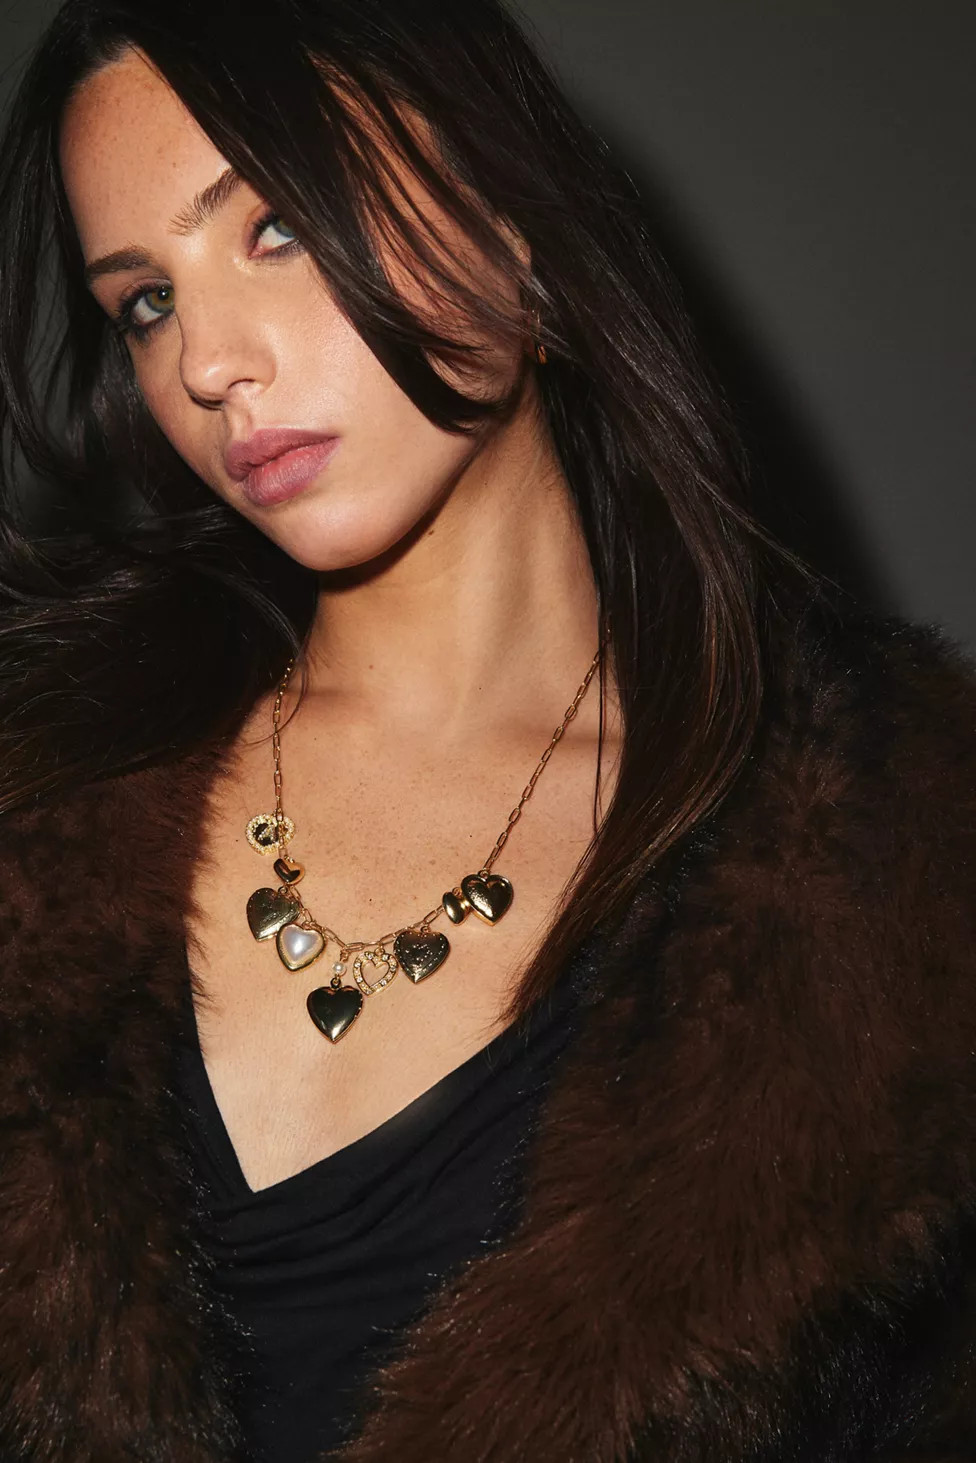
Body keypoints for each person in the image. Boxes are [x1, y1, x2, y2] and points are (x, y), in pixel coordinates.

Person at [0, 0, 974, 1459]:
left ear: (513, 219)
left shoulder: (896, 876)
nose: (205, 361)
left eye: (275, 228)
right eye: (145, 300)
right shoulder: (41, 787)